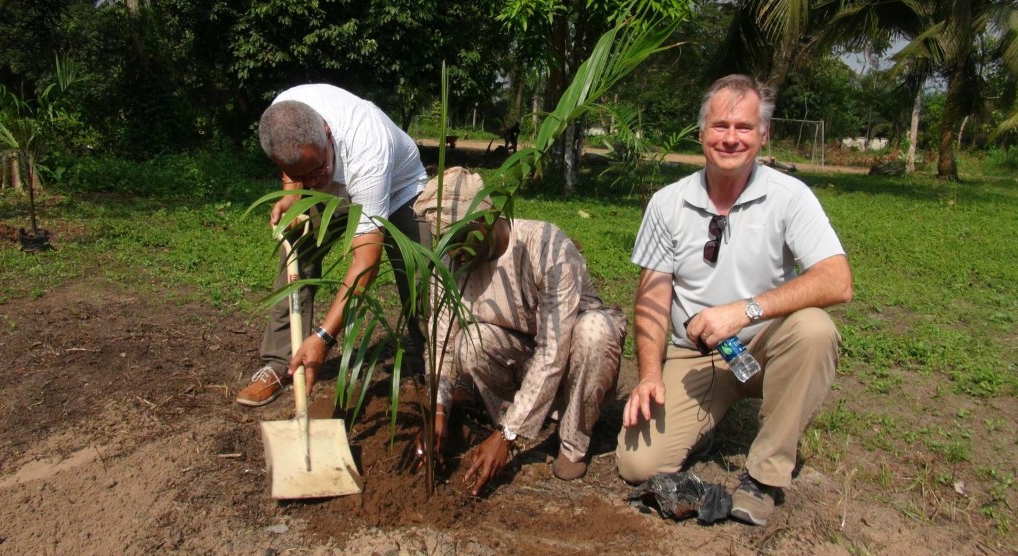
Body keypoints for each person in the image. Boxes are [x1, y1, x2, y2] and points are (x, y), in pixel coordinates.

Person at [615, 75, 853, 526]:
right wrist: (649, 374)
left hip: (764, 345)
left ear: (764, 135)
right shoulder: (668, 203)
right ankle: (701, 430)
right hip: (695, 355)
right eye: (719, 125)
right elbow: (652, 294)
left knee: (815, 329)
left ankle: (763, 478)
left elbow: (837, 280)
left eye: (743, 127)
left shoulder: (790, 197)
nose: (730, 138)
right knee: (637, 465)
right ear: (701, 132)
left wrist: (744, 311)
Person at [413, 167, 626, 495]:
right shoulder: (450, 265)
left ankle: (572, 437)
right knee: (471, 342)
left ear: (484, 221)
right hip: (522, 358)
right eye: (445, 244)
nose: (455, 253)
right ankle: (520, 416)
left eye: (459, 240)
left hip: (574, 361)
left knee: (595, 330)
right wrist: (437, 411)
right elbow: (440, 339)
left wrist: (506, 437)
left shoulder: (545, 246)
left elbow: (554, 349)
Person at [236, 84, 430, 407]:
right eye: (304, 175)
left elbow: (366, 259)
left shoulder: (367, 146)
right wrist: (291, 191)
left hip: (399, 189)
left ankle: (439, 362)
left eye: (317, 169)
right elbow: (294, 163)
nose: (312, 180)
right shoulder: (282, 114)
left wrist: (324, 337)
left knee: (419, 275)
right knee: (297, 249)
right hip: (338, 185)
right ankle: (280, 362)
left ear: (327, 132)